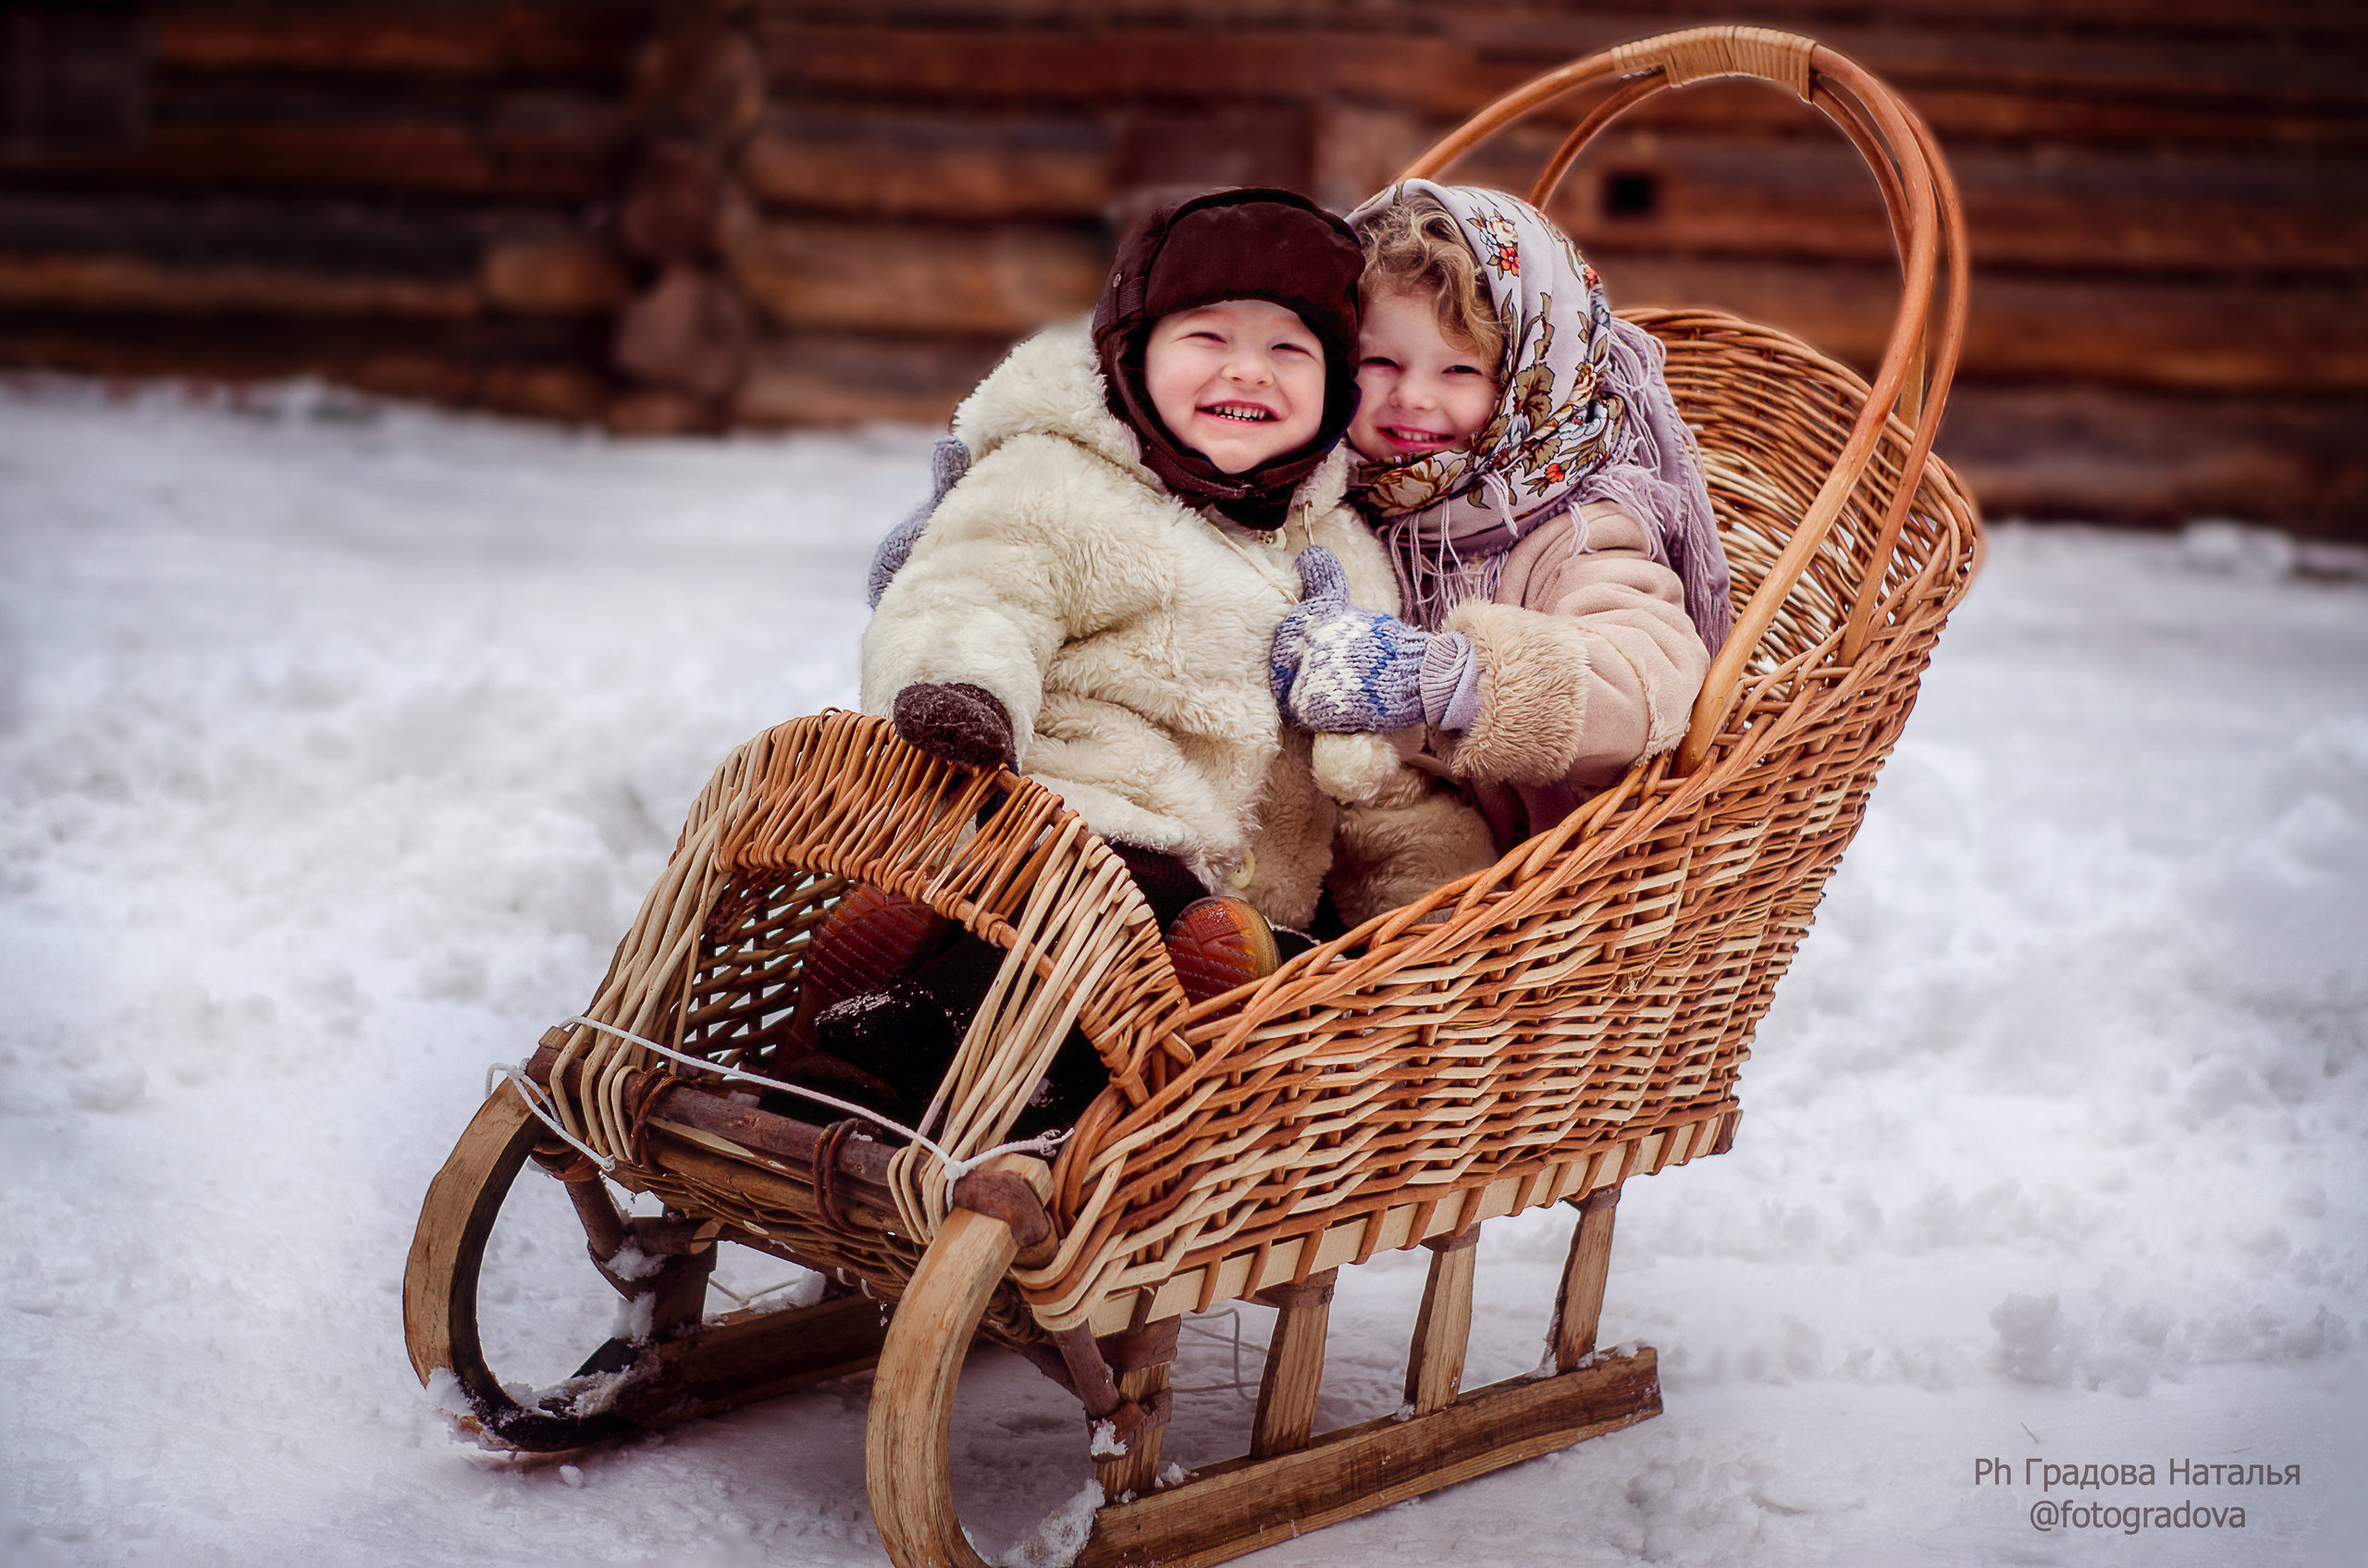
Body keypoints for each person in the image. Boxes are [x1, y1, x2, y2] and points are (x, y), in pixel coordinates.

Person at [781, 187, 1488, 1131]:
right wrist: (965, 684)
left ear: (1334, 391)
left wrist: (1445, 906)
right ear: (1132, 351)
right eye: (1207, 340)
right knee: (1087, 918)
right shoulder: (1061, 479)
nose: (1251, 372)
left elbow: (1367, 773)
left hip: (1240, 894)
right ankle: (880, 1047)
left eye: (1290, 350)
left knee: (1227, 955)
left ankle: (1148, 1035)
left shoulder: (1339, 552)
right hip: (1061, 828)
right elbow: (971, 589)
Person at [1270, 181, 1731, 851]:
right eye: (1379, 361)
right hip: (1328, 851)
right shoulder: (1328, 494)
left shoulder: (1574, 530)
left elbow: (1647, 678)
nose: (1413, 397)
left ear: (1527, 385)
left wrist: (1448, 681)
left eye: (1459, 369)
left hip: (1512, 886)